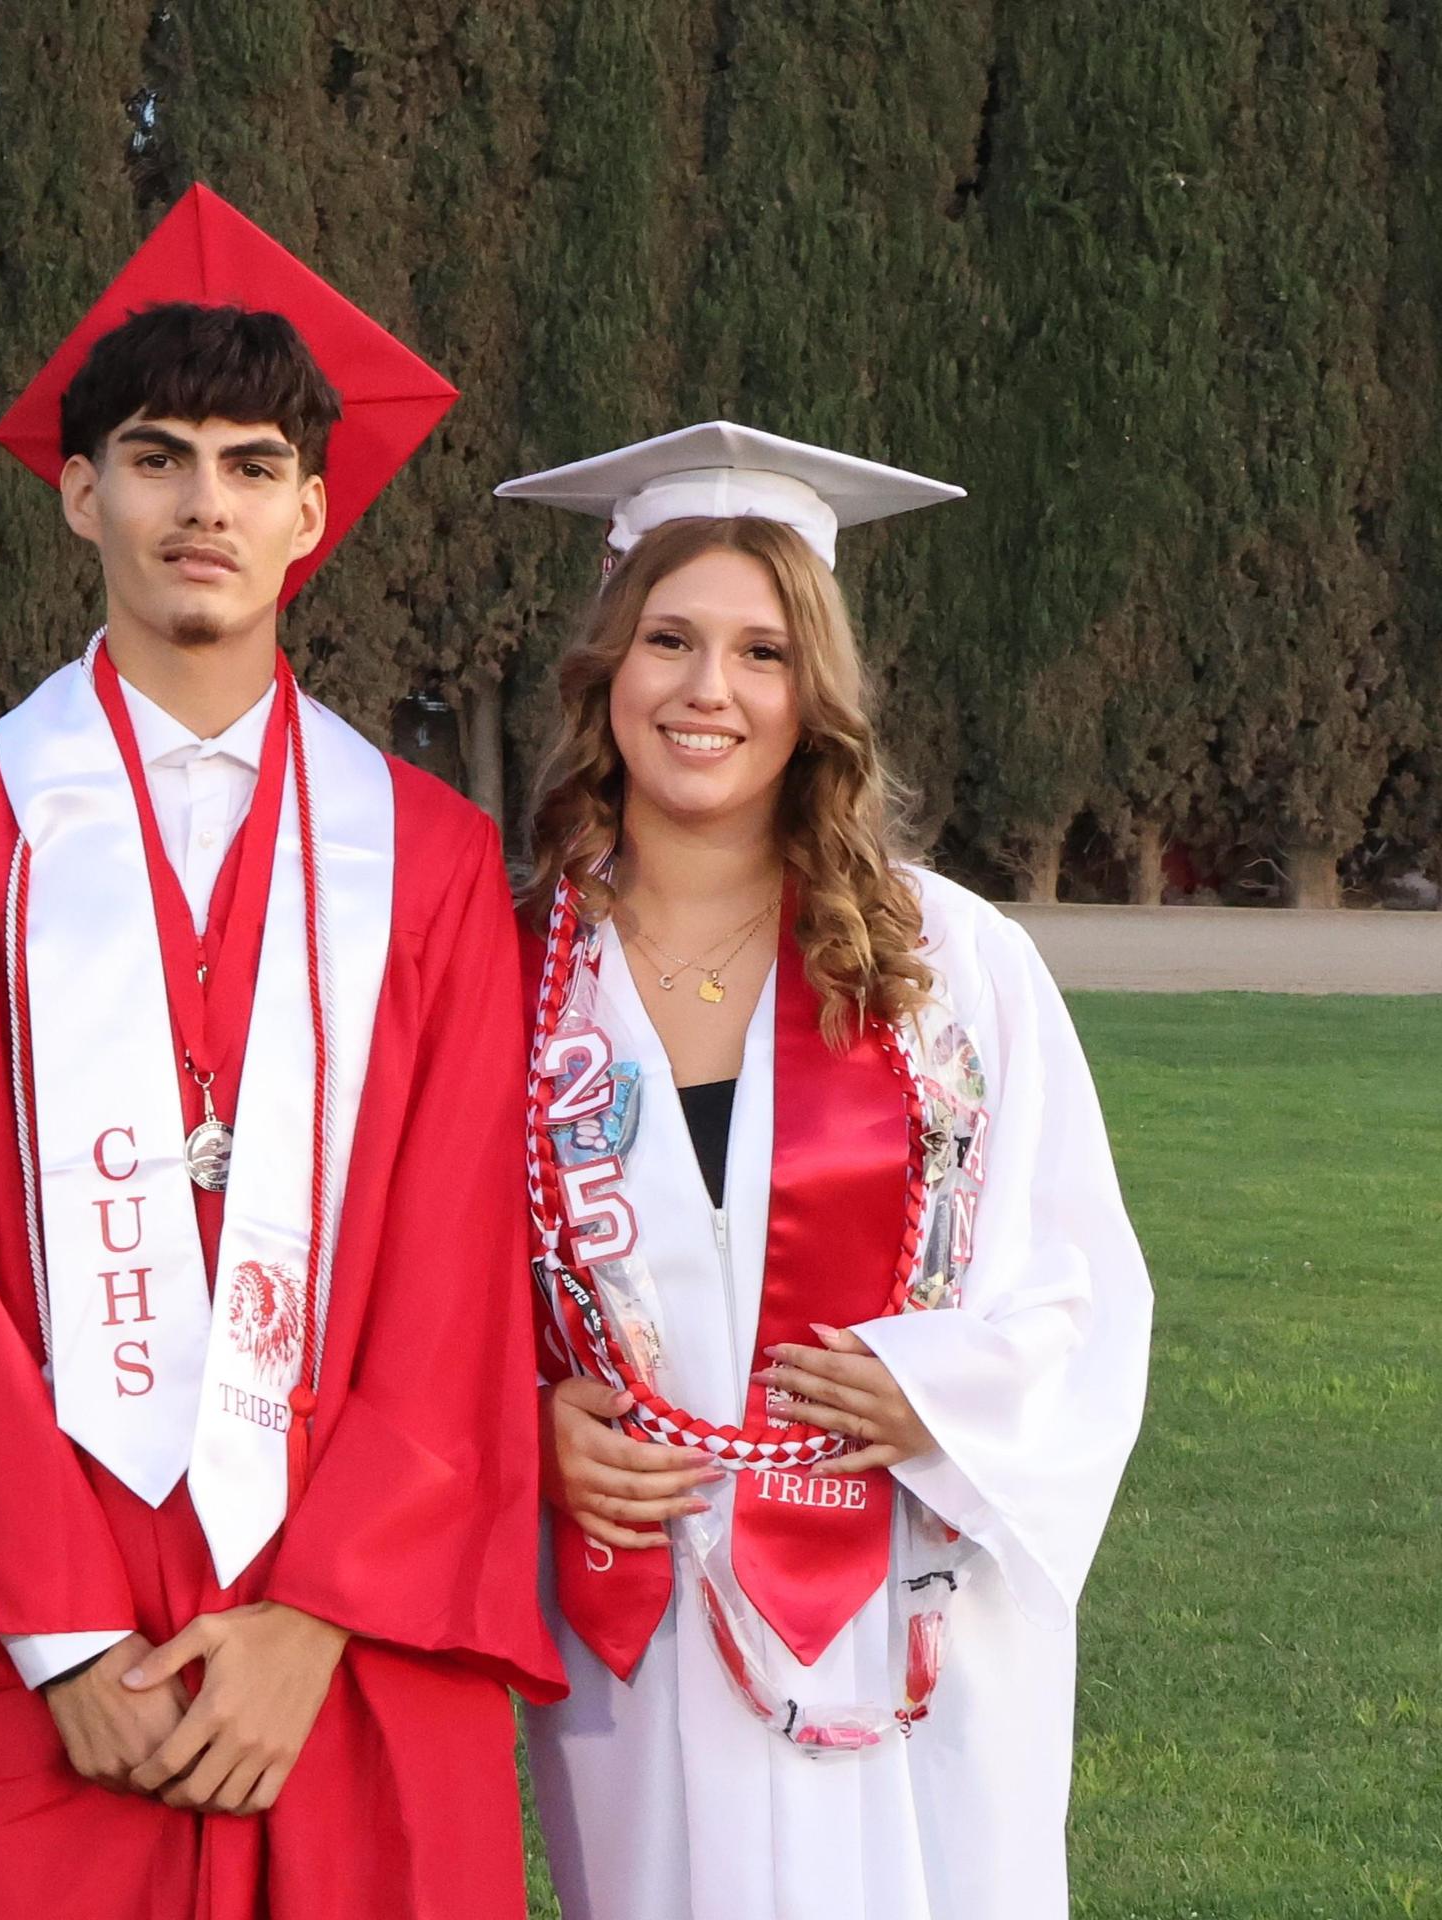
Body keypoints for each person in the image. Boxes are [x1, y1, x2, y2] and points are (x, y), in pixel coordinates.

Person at [0, 184, 562, 1920]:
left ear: (312, 512)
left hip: (345, 1636)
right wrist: (59, 1636)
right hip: (40, 1637)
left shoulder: (426, 860)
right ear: (81, 494)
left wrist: (320, 1612)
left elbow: (456, 1272)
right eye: (155, 457)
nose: (201, 503)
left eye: (249, 463)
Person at [498, 422, 1153, 1920]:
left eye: (763, 651)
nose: (710, 690)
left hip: (911, 1579)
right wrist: (526, 1425)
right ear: (608, 669)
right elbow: (424, 1276)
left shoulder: (948, 962)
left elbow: (1077, 1271)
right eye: (670, 639)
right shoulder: (509, 967)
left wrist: (944, 1388)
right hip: (641, 1599)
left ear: (819, 697)